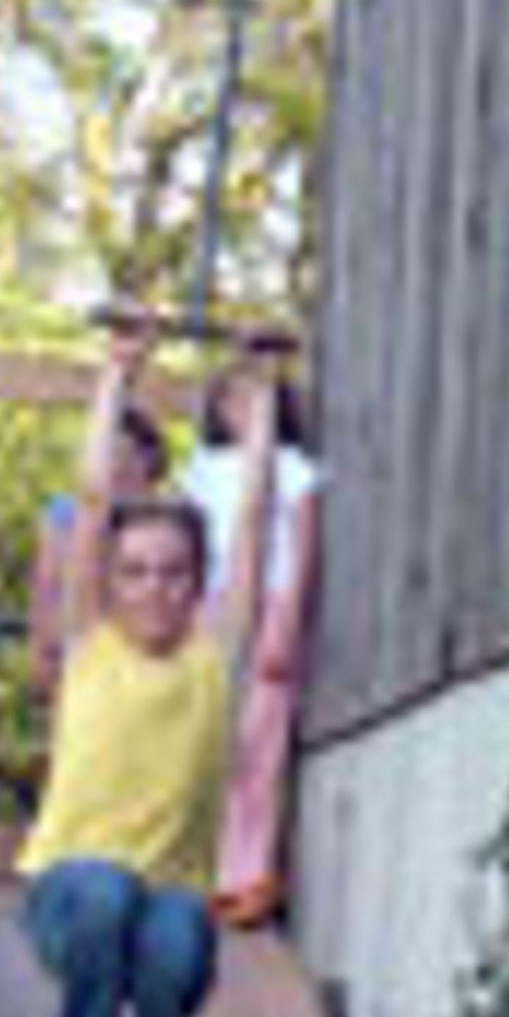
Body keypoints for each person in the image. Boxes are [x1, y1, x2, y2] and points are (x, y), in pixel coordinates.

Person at [18, 323, 275, 1017]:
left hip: (167, 896)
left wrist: (261, 405)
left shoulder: (215, 657)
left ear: (198, 583)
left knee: (182, 943)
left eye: (172, 573)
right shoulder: (90, 645)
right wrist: (116, 375)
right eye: (134, 572)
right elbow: (94, 503)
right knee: (108, 891)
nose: (154, 589)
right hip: (70, 894)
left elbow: (255, 520)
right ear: (110, 582)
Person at [179, 365, 320, 929]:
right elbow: (186, 543)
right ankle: (200, 868)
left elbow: (303, 551)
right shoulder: (204, 469)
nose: (243, 409)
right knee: (205, 738)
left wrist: (286, 619)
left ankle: (250, 874)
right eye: (231, 399)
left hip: (270, 603)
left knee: (261, 743)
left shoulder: (293, 467)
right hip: (211, 604)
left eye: (257, 397)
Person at [25, 403, 169, 699]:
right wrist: (42, 650)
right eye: (109, 455)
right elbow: (46, 585)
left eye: (128, 455)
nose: (117, 466)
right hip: (77, 653)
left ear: (150, 460)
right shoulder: (65, 513)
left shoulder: (168, 518)